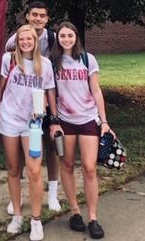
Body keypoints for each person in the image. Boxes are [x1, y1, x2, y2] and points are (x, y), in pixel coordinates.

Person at [52, 21, 111, 240]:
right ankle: (75, 211)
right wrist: (53, 120)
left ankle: (93, 217)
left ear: (76, 37)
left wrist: (104, 121)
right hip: (65, 120)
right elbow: (50, 92)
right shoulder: (53, 61)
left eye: (70, 35)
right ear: (57, 38)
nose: (66, 39)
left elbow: (96, 90)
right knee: (66, 164)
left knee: (89, 168)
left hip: (87, 119)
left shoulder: (87, 58)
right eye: (62, 36)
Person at [0, 25, 58, 241]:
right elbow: (0, 88)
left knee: (34, 171)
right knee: (14, 169)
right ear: (17, 41)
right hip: (9, 120)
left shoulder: (46, 64)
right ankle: (17, 215)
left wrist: (49, 116)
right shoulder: (8, 61)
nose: (25, 42)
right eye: (21, 39)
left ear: (35, 41)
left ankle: (36, 219)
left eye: (28, 39)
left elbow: (48, 92)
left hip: (32, 124)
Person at [4, 1, 61, 213]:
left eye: (42, 16)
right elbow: (8, 67)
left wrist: (53, 111)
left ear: (47, 19)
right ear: (27, 16)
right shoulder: (15, 40)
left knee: (50, 145)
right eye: (34, 15)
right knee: (19, 151)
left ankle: (53, 194)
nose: (38, 18)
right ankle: (15, 197)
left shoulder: (53, 39)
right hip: (20, 104)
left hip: (43, 99)